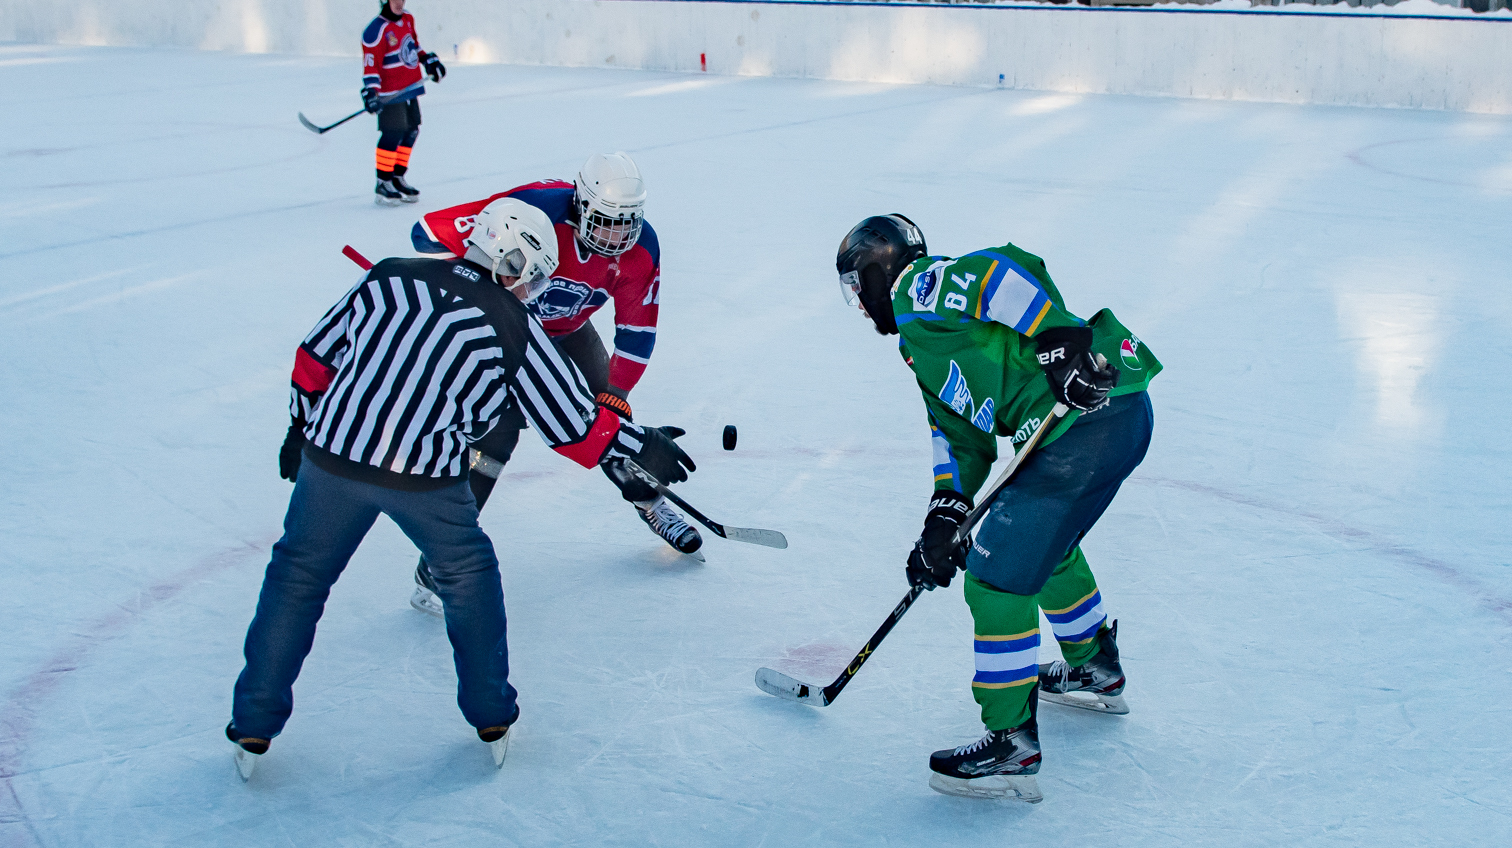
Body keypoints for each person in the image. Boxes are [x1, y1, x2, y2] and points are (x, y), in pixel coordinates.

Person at [226, 198, 696, 780]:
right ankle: (491, 716)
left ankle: (252, 725)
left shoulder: (388, 274)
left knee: (295, 579)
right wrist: (640, 444)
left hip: (332, 462)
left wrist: (300, 428)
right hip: (423, 479)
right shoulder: (514, 323)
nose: (533, 292)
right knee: (470, 581)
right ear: (514, 262)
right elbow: (576, 429)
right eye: (534, 279)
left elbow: (312, 360)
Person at [833, 214, 1162, 802]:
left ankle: (1011, 742)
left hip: (1084, 417)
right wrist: (943, 514)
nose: (858, 305)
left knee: (995, 578)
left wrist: (1062, 341)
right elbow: (958, 436)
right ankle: (1094, 664)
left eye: (856, 287)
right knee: (1043, 548)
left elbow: (997, 272)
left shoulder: (916, 288)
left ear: (877, 270)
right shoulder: (919, 348)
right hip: (1115, 416)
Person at [404, 151, 696, 618]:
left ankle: (650, 501)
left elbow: (638, 328)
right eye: (605, 223)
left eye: (627, 225)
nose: (616, 239)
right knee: (492, 444)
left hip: (568, 334)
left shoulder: (641, 249)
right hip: (501, 335)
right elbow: (426, 232)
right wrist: (463, 281)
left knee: (611, 421)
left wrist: (615, 392)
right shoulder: (535, 206)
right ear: (580, 204)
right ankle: (438, 563)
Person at [361, 0, 445, 206]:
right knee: (393, 133)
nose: (399, 3)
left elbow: (413, 46)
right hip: (390, 93)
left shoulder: (407, 19)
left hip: (410, 87)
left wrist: (428, 60)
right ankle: (383, 181)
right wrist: (371, 92)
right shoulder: (375, 31)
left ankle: (397, 177)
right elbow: (371, 64)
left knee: (411, 131)